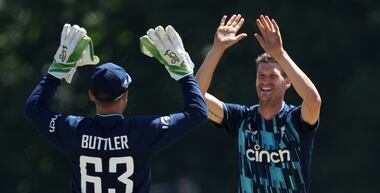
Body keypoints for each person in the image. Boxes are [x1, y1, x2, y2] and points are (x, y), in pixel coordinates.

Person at [24, 24, 207, 193]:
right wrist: (183, 72)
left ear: (91, 95)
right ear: (126, 96)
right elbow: (197, 112)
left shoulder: (74, 130)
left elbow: (33, 107)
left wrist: (57, 70)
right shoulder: (142, 131)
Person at [195, 14, 321, 193]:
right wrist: (217, 49)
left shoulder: (296, 120)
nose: (265, 81)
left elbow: (314, 101)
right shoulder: (241, 118)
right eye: (261, 76)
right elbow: (197, 97)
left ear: (287, 82)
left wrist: (280, 54)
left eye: (273, 76)